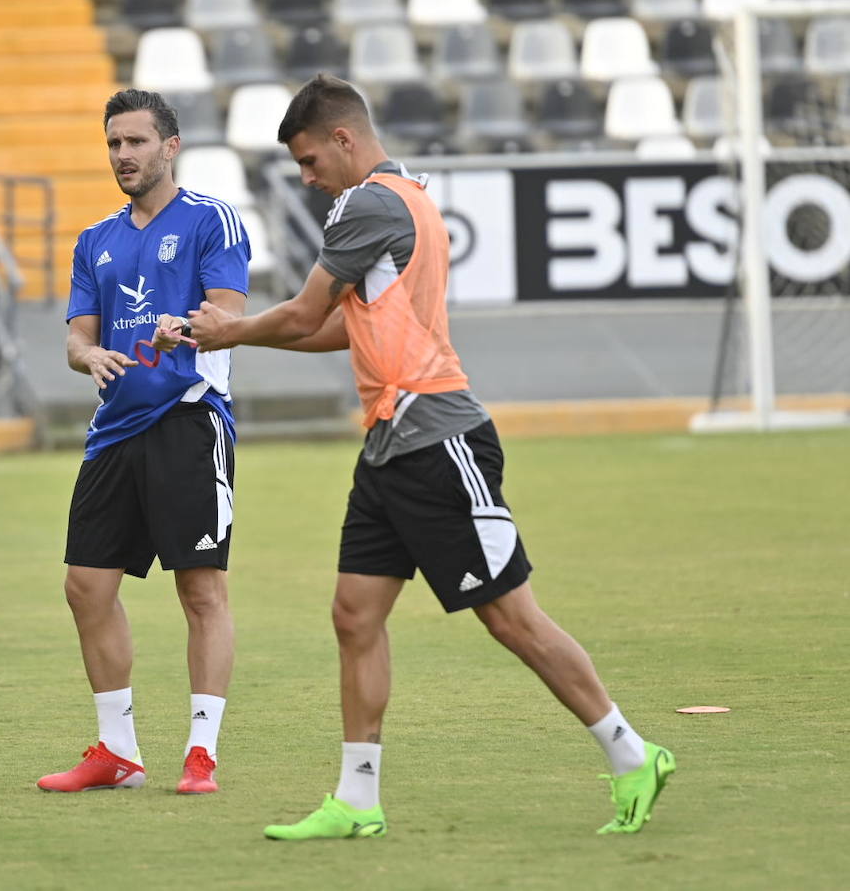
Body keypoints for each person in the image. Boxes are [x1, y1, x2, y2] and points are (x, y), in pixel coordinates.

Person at [185, 74, 675, 838]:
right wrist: (221, 335)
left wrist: (230, 331)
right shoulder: (404, 194)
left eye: (311, 161)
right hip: (390, 444)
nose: (308, 179)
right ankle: (357, 799)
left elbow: (306, 311)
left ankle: (632, 751)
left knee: (512, 620)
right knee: (354, 615)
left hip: (439, 439)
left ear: (344, 139)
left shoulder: (368, 204)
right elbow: (338, 330)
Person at [36, 89, 251, 795]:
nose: (122, 156)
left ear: (170, 146)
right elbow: (78, 334)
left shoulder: (211, 221)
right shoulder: (94, 239)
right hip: (113, 432)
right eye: (113, 144)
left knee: (200, 590)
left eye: (135, 142)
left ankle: (202, 752)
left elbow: (228, 313)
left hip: (189, 420)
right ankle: (118, 750)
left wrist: (182, 326)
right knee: (86, 588)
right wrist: (85, 357)